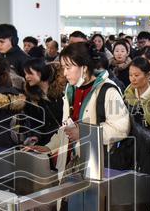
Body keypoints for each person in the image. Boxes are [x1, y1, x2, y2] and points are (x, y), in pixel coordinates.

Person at [37, 42, 130, 176]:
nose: (64, 73)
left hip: (97, 167)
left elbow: (121, 129)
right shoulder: (71, 89)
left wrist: (84, 133)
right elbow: (67, 128)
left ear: (84, 68)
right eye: (63, 68)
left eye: (68, 68)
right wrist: (49, 147)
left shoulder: (108, 90)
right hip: (70, 166)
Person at [22, 57, 65, 146]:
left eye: (30, 73)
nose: (26, 77)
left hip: (63, 140)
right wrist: (34, 136)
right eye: (25, 74)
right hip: (43, 144)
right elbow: (33, 123)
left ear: (41, 72)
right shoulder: (31, 98)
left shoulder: (62, 92)